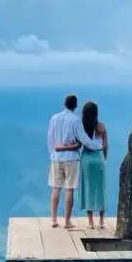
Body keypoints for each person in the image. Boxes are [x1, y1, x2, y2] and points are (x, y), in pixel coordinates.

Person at [48, 94, 102, 229]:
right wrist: (99, 146)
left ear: (64, 104)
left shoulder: (54, 118)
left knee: (56, 188)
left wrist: (53, 153)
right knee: (69, 190)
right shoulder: (75, 120)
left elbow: (50, 138)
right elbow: (85, 140)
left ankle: (54, 219)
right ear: (75, 106)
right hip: (71, 158)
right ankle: (67, 221)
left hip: (56, 157)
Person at [78, 101, 108, 229]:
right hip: (99, 157)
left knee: (88, 187)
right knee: (101, 188)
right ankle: (101, 220)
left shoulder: (81, 127)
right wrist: (104, 158)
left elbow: (79, 143)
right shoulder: (101, 126)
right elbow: (105, 144)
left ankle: (90, 222)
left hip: (86, 158)